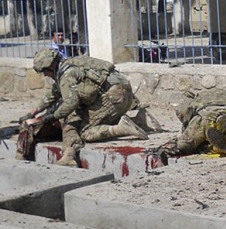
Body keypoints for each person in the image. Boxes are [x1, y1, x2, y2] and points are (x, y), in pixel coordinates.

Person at [18, 48, 148, 167]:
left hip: (113, 97)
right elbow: (53, 94)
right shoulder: (70, 64)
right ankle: (139, 121)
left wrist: (53, 116)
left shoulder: (66, 74)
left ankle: (121, 129)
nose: (45, 75)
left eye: (44, 71)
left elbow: (71, 102)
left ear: (50, 66)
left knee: (85, 131)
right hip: (125, 93)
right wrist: (33, 112)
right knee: (92, 116)